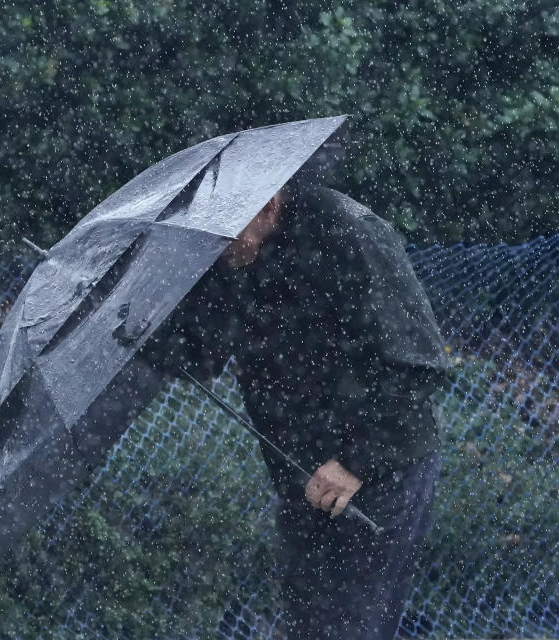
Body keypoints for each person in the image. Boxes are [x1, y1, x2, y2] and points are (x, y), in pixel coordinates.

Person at [143, 180, 448, 639]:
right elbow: (201, 354)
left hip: (381, 470)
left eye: (225, 236)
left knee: (349, 625)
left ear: (267, 206)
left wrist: (353, 463)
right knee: (308, 624)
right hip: (300, 472)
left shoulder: (352, 235)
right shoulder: (238, 252)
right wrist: (143, 327)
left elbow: (418, 367)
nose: (218, 249)